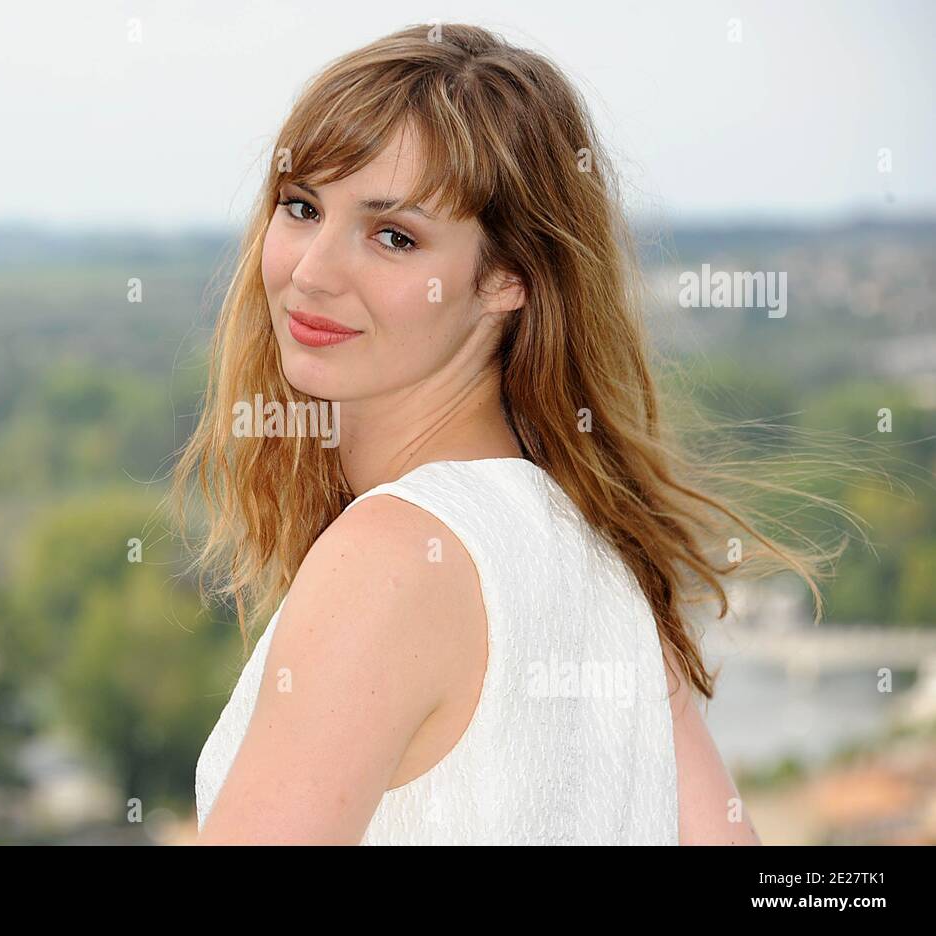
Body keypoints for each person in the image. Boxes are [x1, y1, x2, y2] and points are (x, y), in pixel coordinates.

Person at [171, 22, 838, 844]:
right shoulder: (596, 556)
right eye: (302, 207)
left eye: (394, 236)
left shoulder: (391, 555)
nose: (311, 270)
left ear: (506, 279)